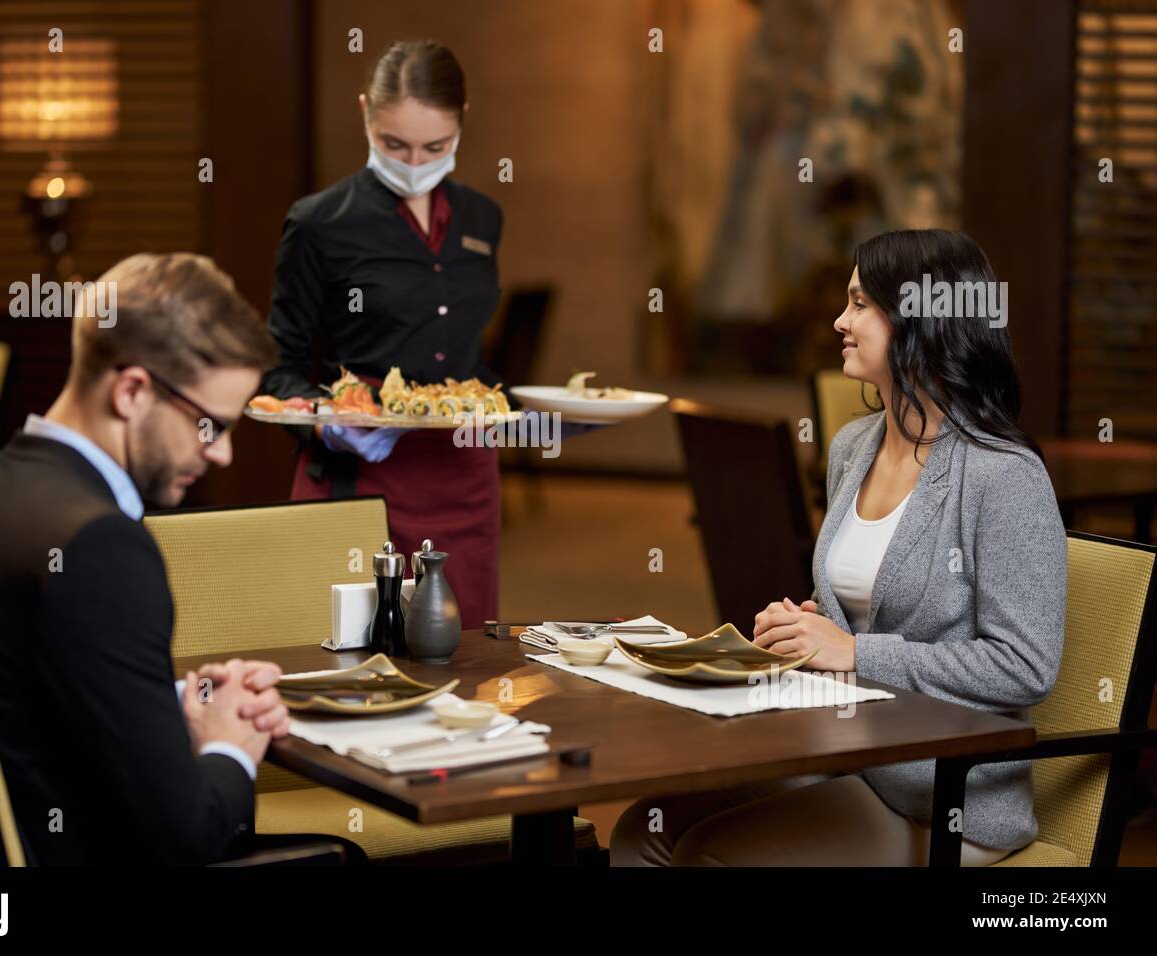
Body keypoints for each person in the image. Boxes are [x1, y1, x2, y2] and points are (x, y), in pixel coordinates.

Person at [611, 229, 1065, 866]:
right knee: (641, 831)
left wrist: (853, 651)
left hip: (939, 797)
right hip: (843, 754)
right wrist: (810, 627)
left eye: (859, 304)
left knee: (715, 855)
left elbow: (1025, 665)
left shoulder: (1003, 474)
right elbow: (867, 615)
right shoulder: (854, 446)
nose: (838, 320)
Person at [0, 253, 353, 865]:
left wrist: (169, 706)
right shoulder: (100, 547)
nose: (223, 456)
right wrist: (232, 748)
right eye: (211, 425)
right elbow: (185, 836)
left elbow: (20, 705)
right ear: (132, 391)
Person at [263, 39, 506, 628]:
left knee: (464, 654)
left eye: (436, 147)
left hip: (462, 473)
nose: (415, 163)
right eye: (394, 145)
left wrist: (525, 411)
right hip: (360, 478)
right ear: (366, 113)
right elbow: (282, 366)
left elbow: (466, 355)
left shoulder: (482, 218)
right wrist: (330, 420)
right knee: (355, 657)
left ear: (462, 123)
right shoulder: (320, 222)